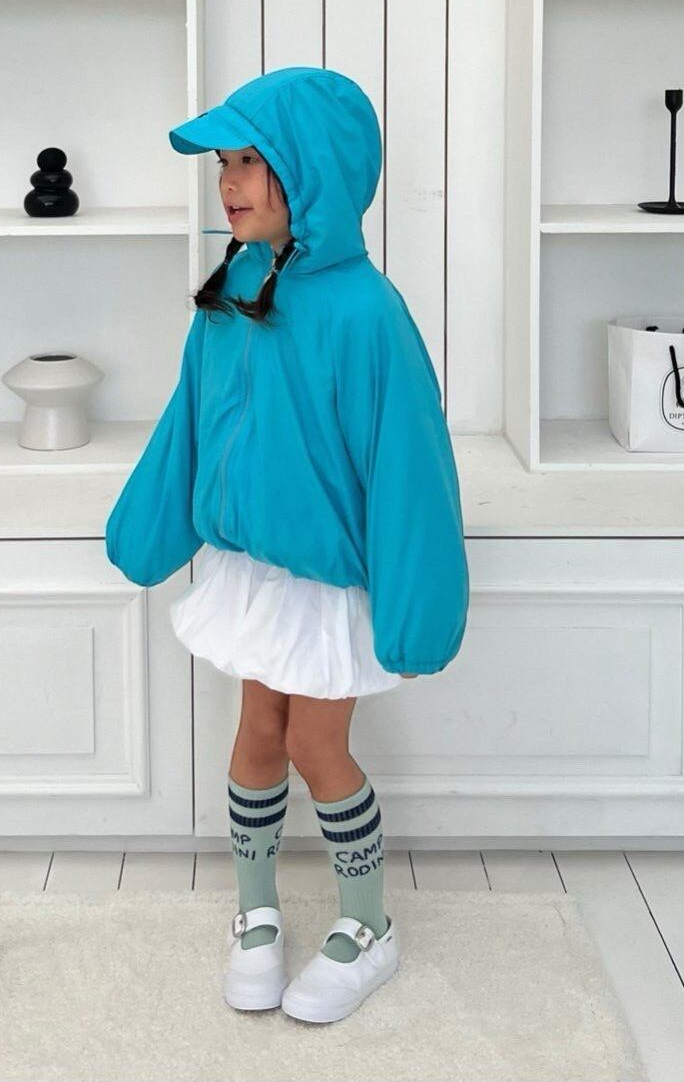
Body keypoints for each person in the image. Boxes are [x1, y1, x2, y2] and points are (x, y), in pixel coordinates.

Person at [104, 65, 469, 1023]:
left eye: (249, 161)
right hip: (251, 565)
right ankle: (256, 912)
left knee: (315, 741)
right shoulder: (234, 286)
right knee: (257, 734)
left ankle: (368, 924)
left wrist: (419, 606)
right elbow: (192, 417)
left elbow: (410, 463)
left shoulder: (366, 312)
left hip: (327, 578)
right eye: (222, 163)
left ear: (309, 171)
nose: (228, 181)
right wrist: (148, 525)